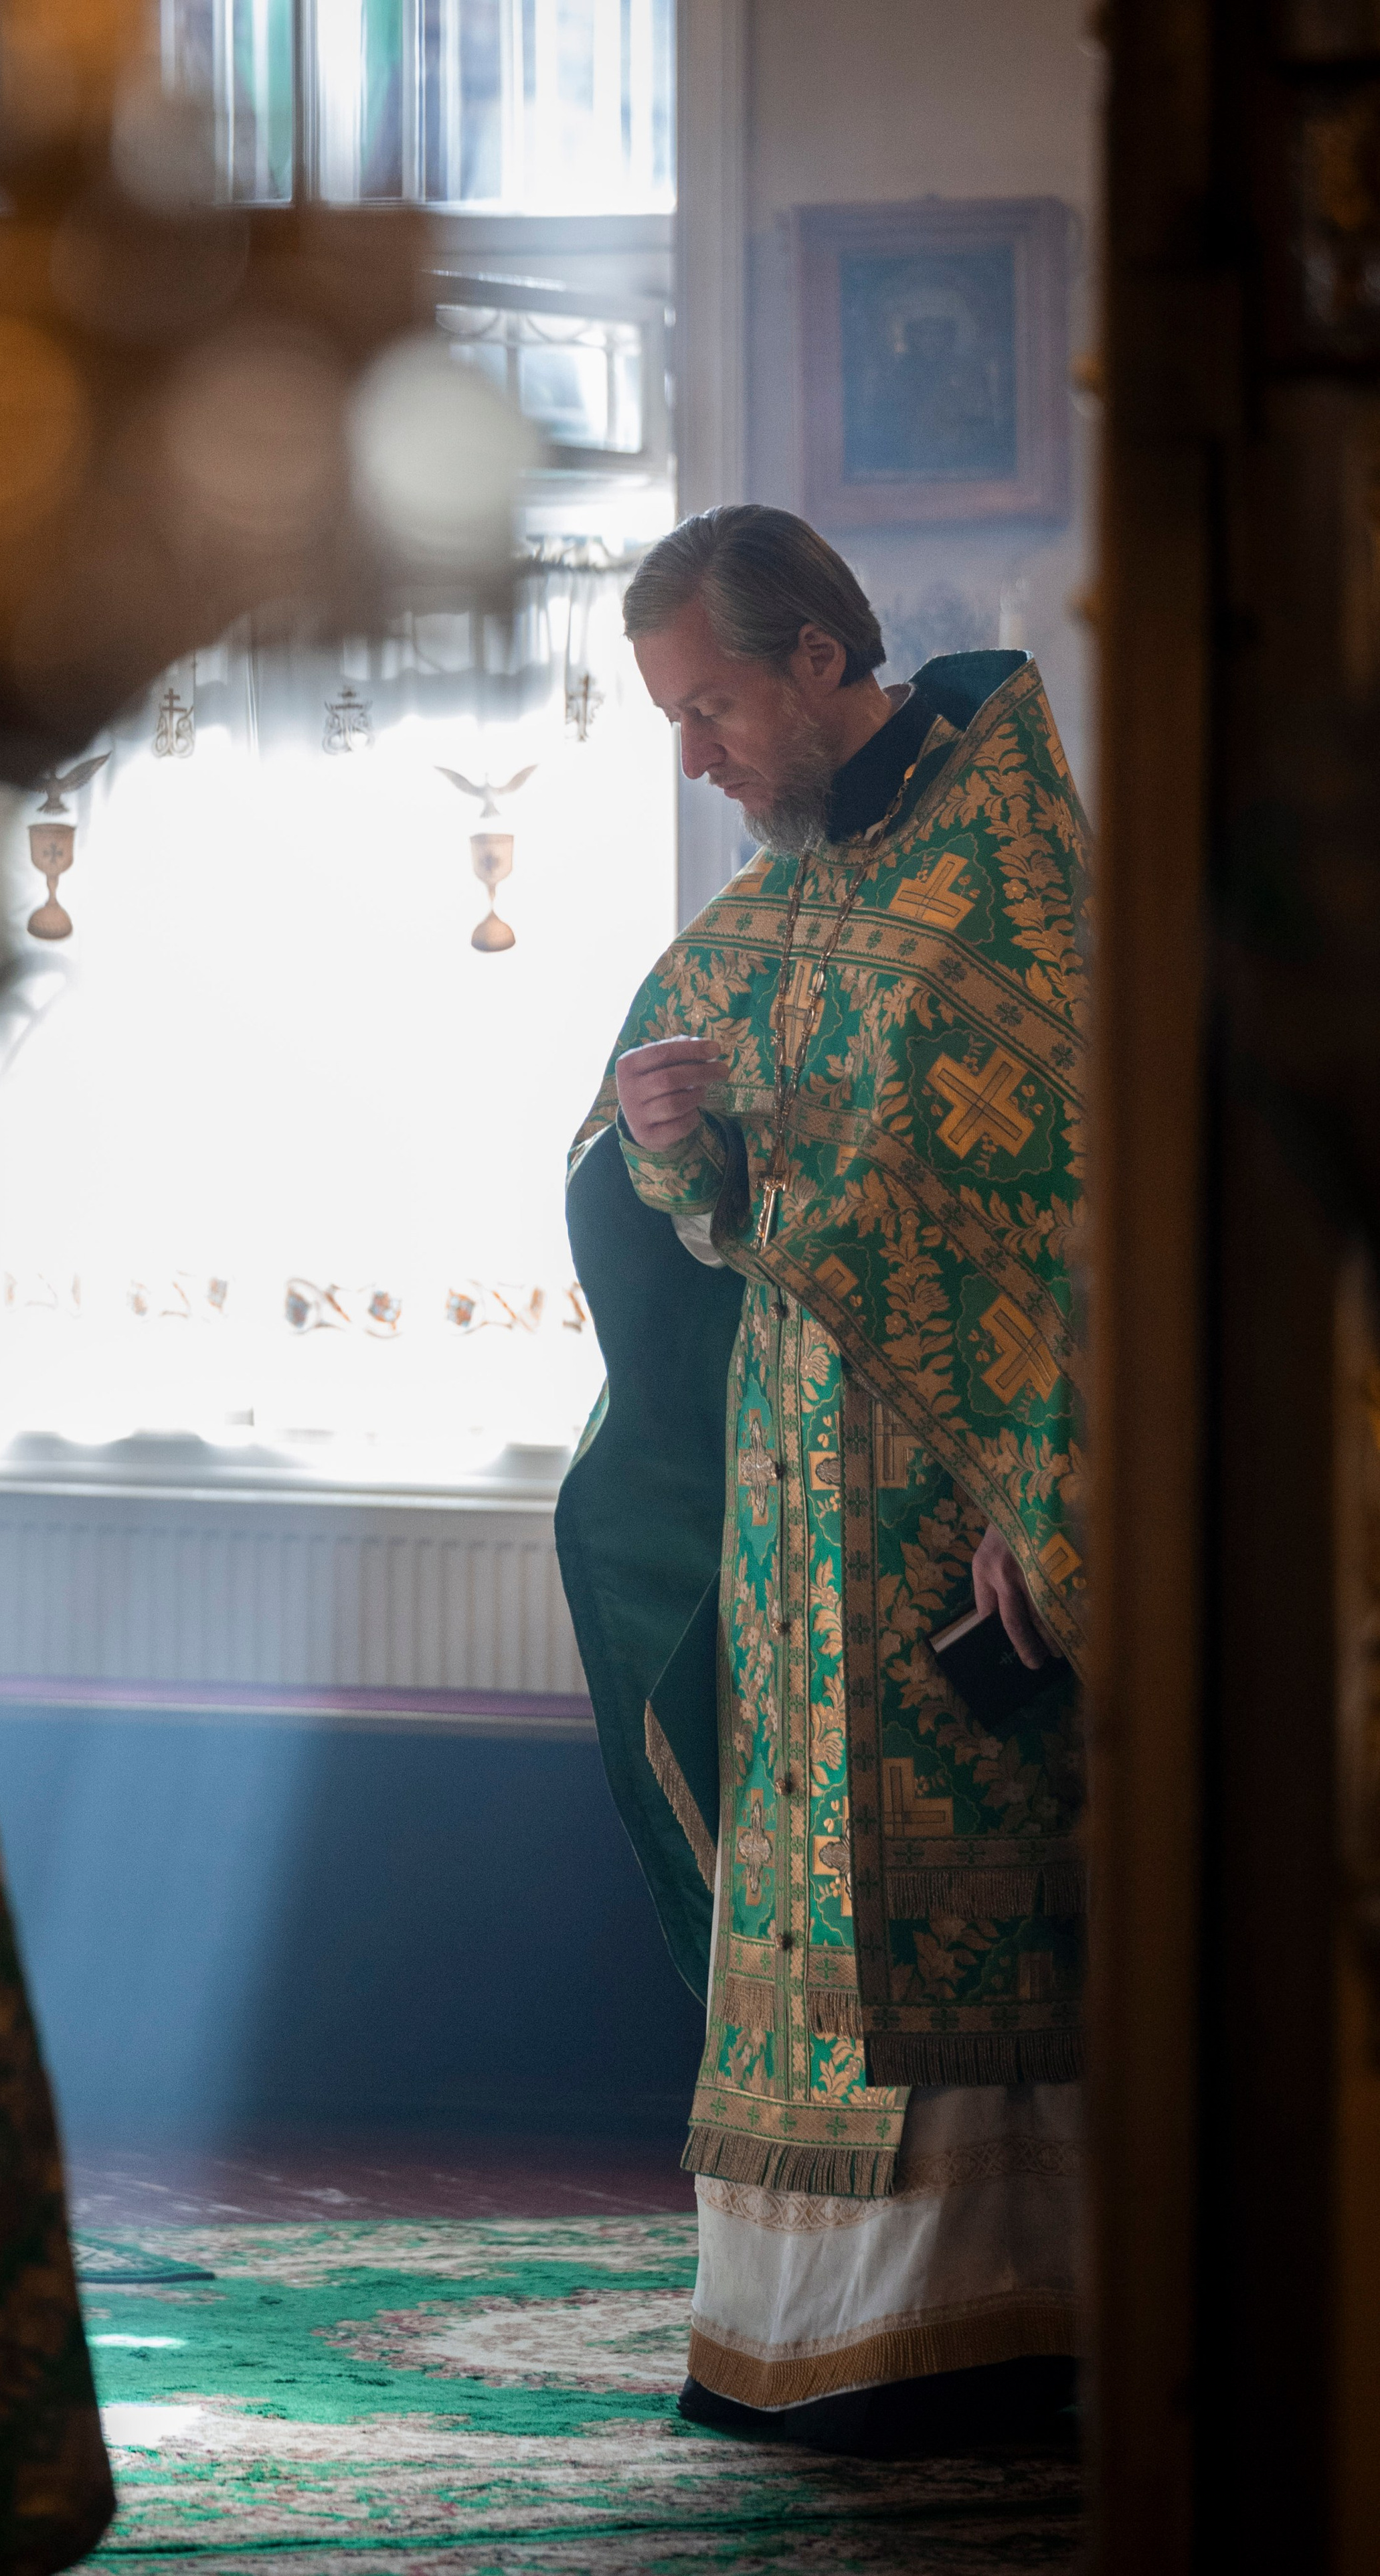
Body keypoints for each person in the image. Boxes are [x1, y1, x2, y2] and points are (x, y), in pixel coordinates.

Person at [554, 505, 1087, 2453]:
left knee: (975, 1919)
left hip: (957, 1530)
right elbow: (714, 1212)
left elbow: (1099, 1216)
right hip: (788, 1524)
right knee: (810, 1911)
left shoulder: (1014, 893)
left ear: (816, 657)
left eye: (711, 710)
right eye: (672, 723)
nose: (697, 758)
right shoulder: (762, 919)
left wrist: (1060, 1492)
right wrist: (664, 1141)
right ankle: (797, 2324)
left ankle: (996, 2317)